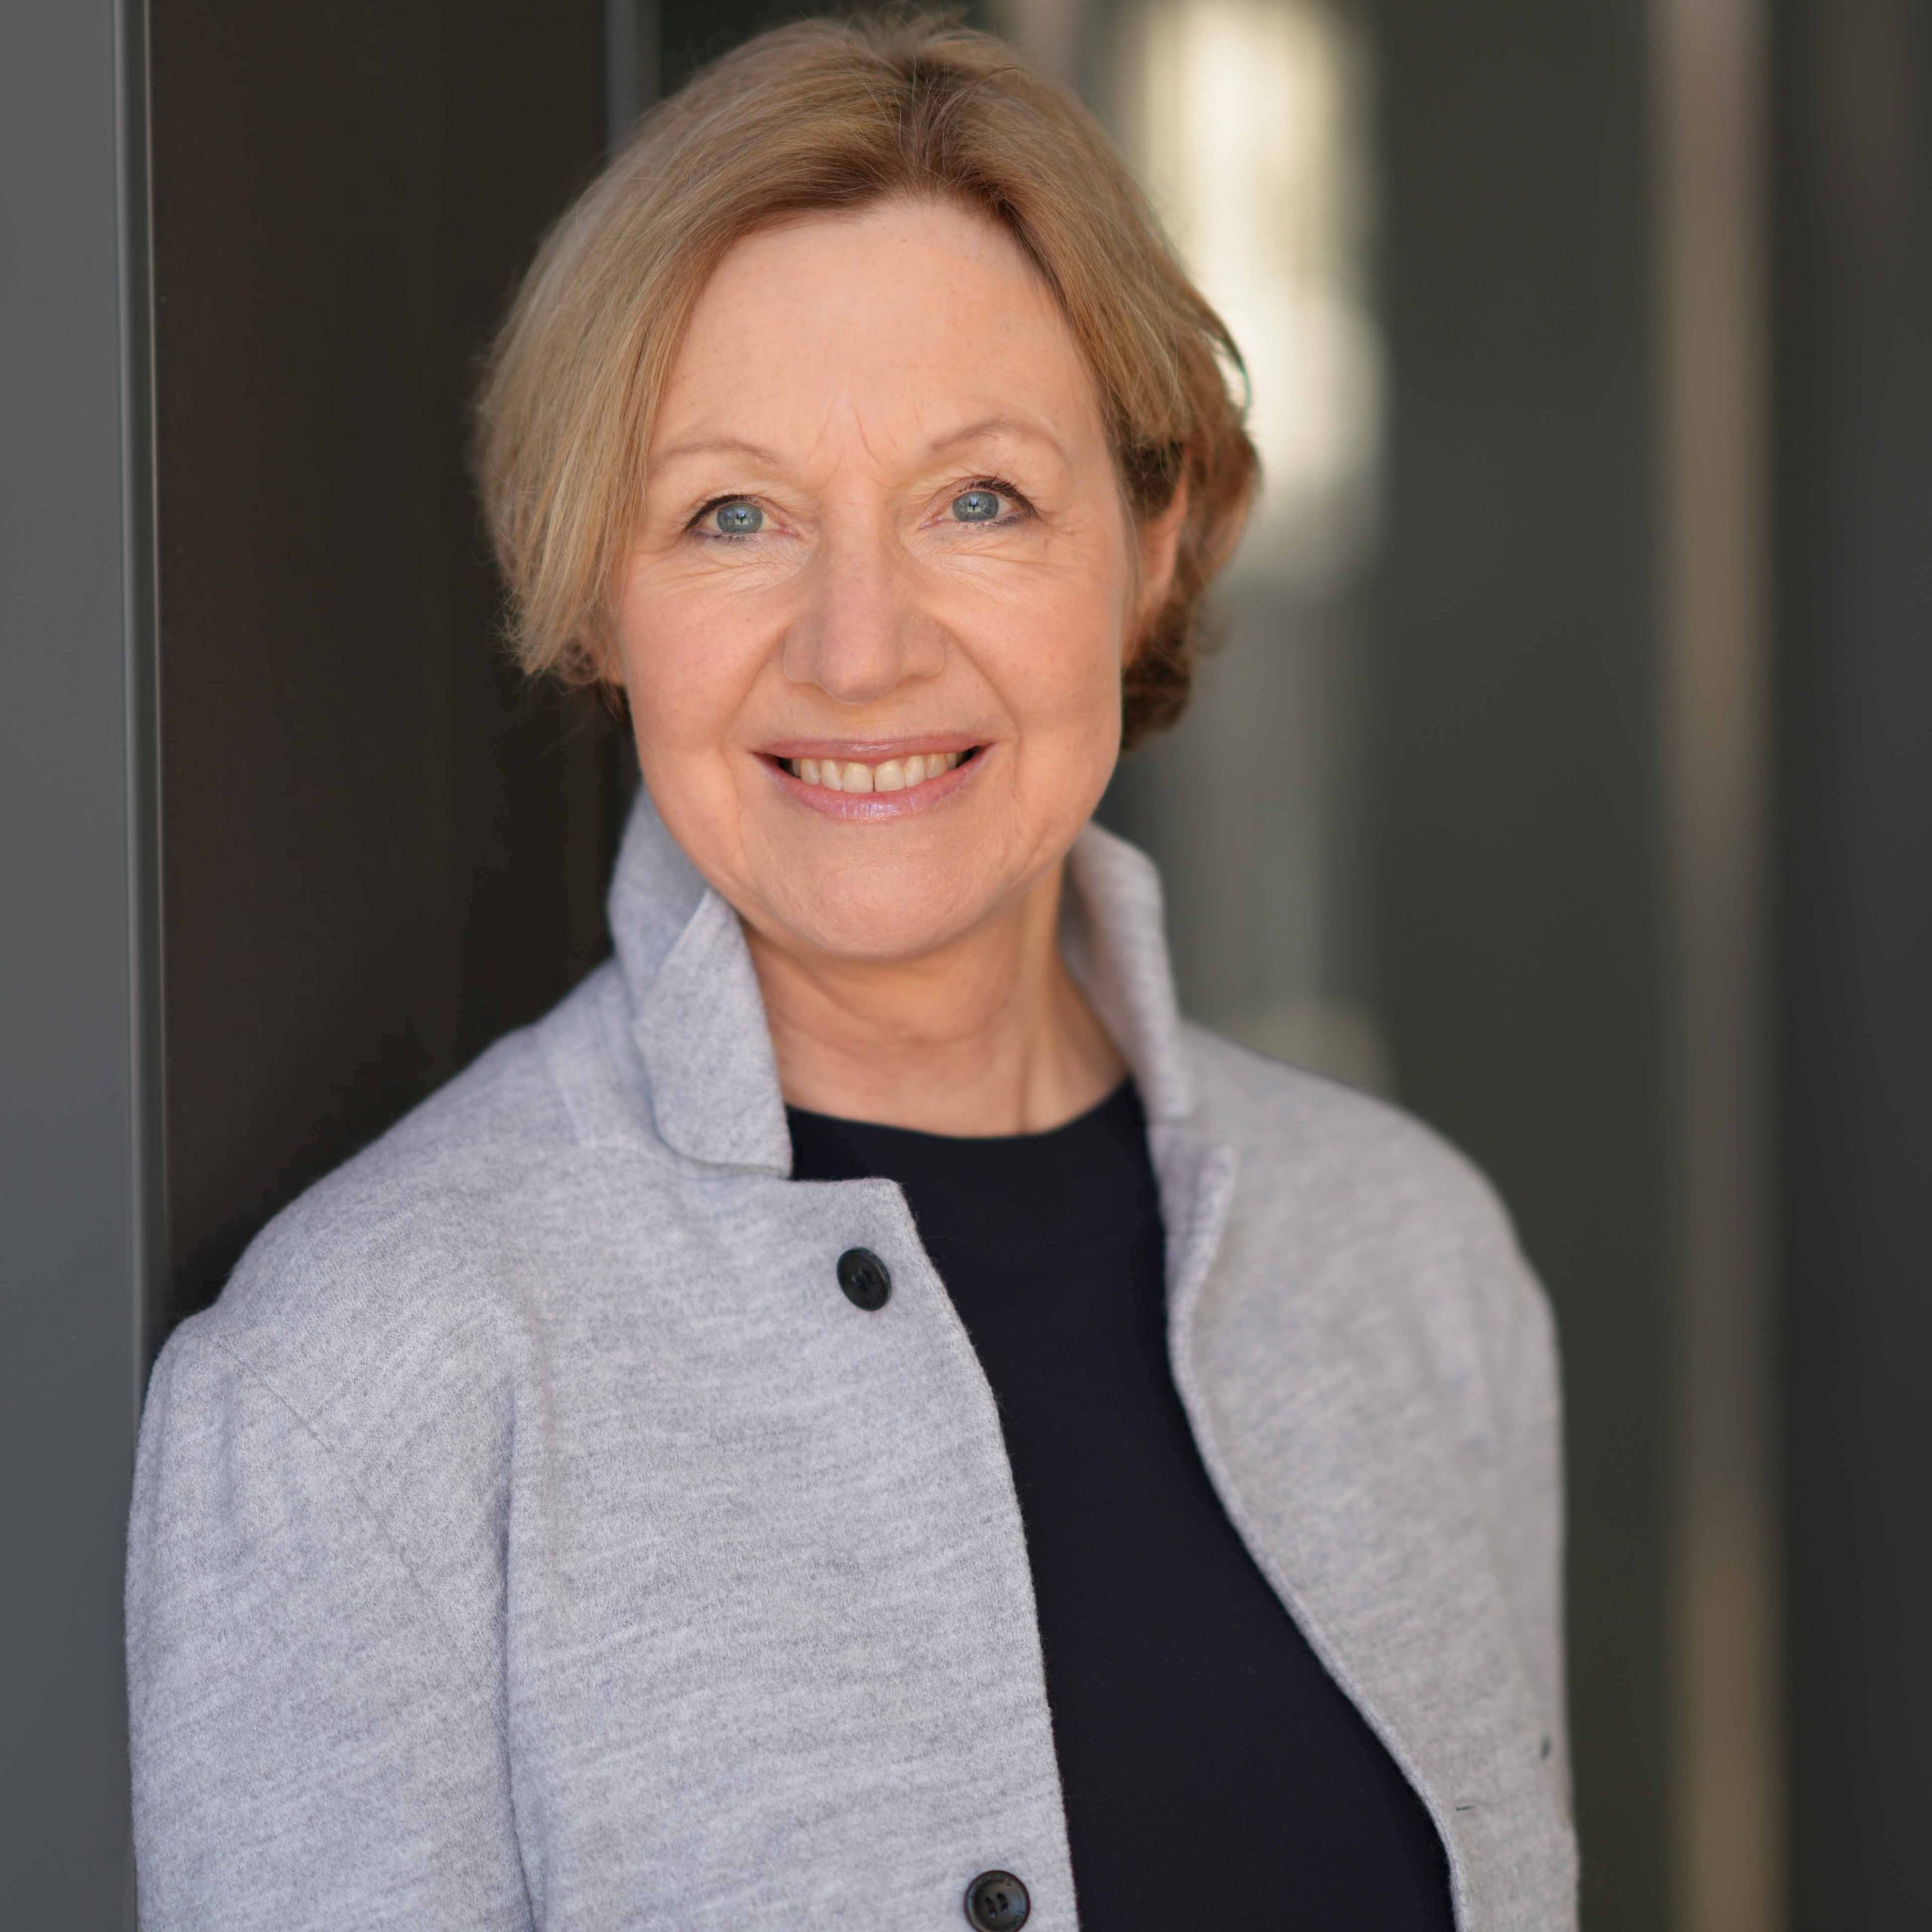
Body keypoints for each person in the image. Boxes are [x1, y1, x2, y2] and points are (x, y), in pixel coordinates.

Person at [124, 11, 1577, 1928]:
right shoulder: (361, 1388)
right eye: (731, 514)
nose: (860, 646)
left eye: (980, 500)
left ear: (1149, 541)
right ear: (596, 594)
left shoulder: (1415, 1260)